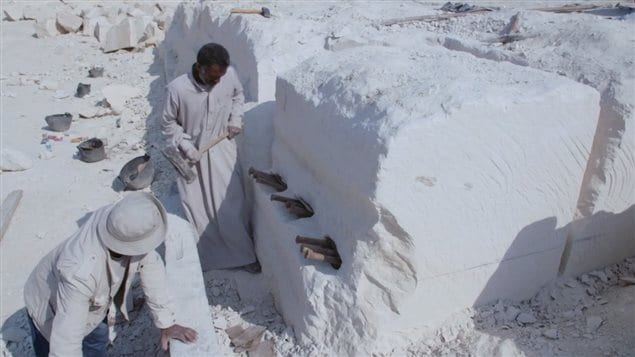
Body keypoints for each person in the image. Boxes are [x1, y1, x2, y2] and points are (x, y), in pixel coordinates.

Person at [23, 192, 198, 357]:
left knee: (96, 342)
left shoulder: (121, 221)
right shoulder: (80, 273)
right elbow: (66, 341)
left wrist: (166, 322)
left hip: (95, 304)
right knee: (51, 347)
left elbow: (150, 265)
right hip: (50, 306)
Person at [161, 42, 260, 273]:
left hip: (221, 147)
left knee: (231, 203)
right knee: (199, 208)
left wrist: (235, 119)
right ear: (199, 67)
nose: (217, 82)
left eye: (221, 76)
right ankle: (209, 259)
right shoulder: (177, 89)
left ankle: (242, 255)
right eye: (212, 76)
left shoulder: (229, 76)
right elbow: (167, 123)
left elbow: (238, 95)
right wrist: (184, 144)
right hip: (191, 154)